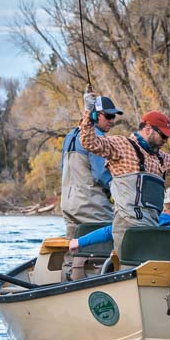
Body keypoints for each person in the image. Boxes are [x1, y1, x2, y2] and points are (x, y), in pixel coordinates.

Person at [79, 87, 170, 254]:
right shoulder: (121, 145)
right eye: (163, 136)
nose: (165, 141)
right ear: (148, 129)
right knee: (129, 269)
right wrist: (88, 111)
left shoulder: (161, 158)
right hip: (126, 226)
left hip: (152, 226)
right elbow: (90, 143)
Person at [59, 95, 123, 239]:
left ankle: (71, 263)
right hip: (90, 205)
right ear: (94, 115)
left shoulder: (70, 136)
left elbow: (63, 168)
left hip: (68, 204)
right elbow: (102, 175)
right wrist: (119, 193)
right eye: (108, 116)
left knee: (73, 248)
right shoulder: (96, 138)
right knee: (112, 234)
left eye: (113, 117)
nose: (112, 121)